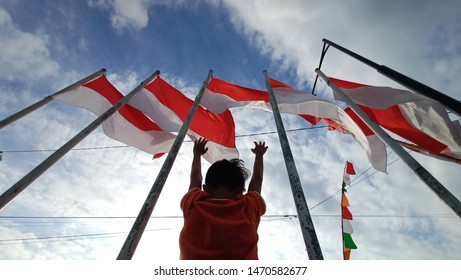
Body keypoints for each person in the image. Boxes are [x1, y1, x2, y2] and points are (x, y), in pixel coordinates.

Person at [179, 137, 268, 260]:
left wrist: (197, 154)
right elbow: (257, 179)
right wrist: (259, 154)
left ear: (205, 188)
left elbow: (195, 177)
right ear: (241, 191)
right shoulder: (248, 206)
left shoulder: (194, 202)